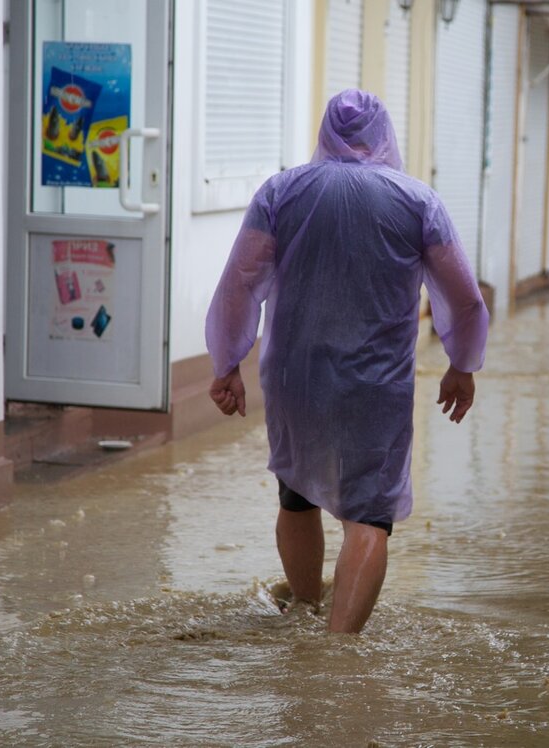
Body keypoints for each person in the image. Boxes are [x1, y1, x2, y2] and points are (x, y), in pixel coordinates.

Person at [205, 89, 489, 634]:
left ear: (325, 134)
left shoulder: (281, 192)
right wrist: (463, 361)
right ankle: (337, 654)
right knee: (368, 517)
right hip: (373, 383)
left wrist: (226, 362)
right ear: (385, 137)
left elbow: (240, 284)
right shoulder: (417, 202)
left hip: (295, 375)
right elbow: (465, 296)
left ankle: (305, 617)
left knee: (296, 494)